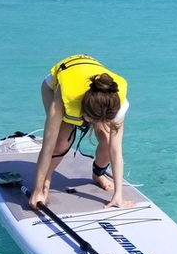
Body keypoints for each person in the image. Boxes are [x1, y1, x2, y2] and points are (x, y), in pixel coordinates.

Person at [30, 54, 133, 210]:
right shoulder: (65, 98)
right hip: (52, 88)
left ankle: (98, 173)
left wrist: (118, 194)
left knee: (106, 143)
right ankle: (46, 178)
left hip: (95, 96)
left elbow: (116, 150)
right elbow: (48, 146)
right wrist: (37, 190)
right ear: (84, 111)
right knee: (61, 142)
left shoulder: (118, 104)